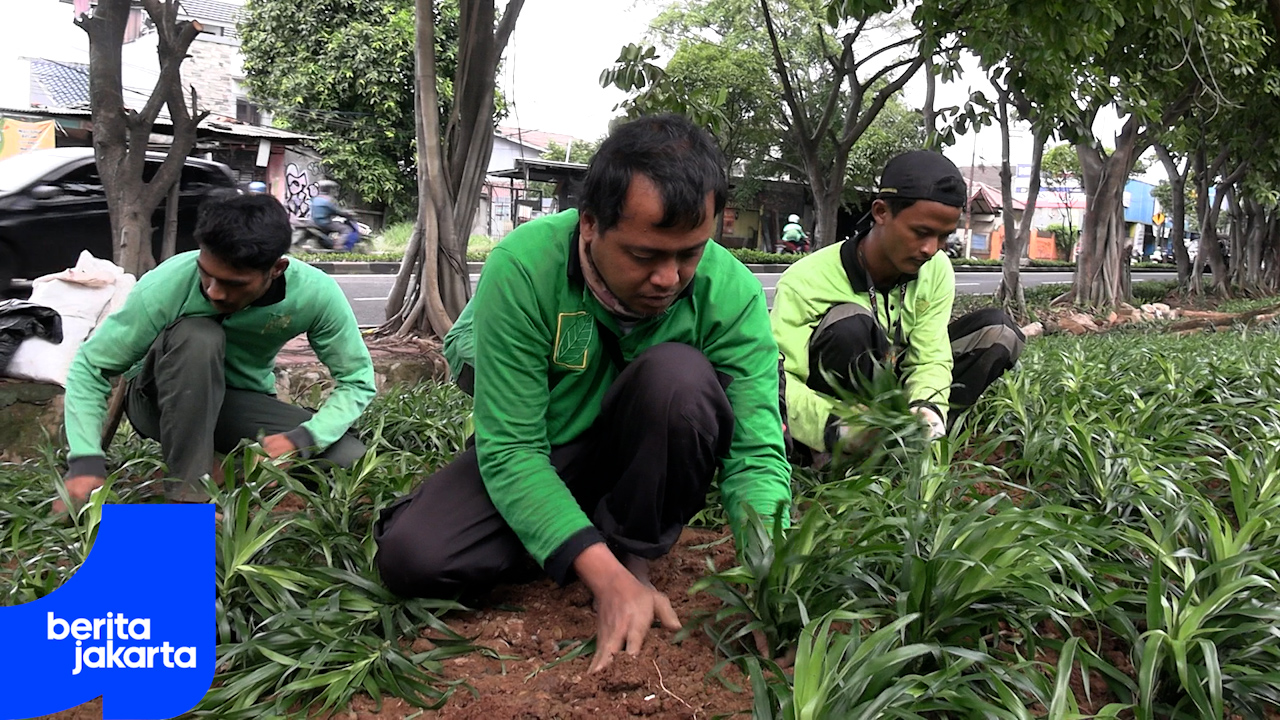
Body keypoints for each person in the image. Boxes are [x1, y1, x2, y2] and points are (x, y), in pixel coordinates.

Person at [375, 114, 792, 673]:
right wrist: (603, 579)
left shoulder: (731, 294)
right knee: (414, 559)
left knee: (678, 379)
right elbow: (514, 448)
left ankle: (632, 548)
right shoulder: (526, 268)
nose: (670, 278)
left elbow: (756, 454)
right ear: (590, 225)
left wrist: (769, 580)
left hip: (647, 458)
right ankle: (586, 536)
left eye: (690, 253)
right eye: (645, 255)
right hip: (550, 452)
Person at [57, 193, 375, 510]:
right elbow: (91, 367)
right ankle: (187, 500)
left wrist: (303, 438)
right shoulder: (167, 284)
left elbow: (357, 381)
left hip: (237, 401)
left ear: (277, 269)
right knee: (199, 334)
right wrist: (85, 460)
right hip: (157, 400)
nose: (214, 291)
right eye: (206, 274)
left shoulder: (315, 294)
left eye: (233, 283)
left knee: (348, 457)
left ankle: (223, 470)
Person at [770, 150, 1025, 455]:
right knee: (852, 323)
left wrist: (927, 406)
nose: (931, 249)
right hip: (836, 413)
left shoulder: (937, 268)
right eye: (921, 232)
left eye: (944, 237)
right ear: (881, 212)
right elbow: (779, 382)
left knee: (998, 332)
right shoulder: (805, 280)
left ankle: (916, 444)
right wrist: (837, 425)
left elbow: (931, 355)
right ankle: (832, 455)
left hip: (897, 391)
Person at [310, 180, 361, 251]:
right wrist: (348, 214)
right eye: (333, 189)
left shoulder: (315, 198)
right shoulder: (329, 200)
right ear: (329, 189)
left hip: (314, 221)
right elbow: (337, 211)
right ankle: (338, 246)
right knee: (346, 229)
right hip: (324, 223)